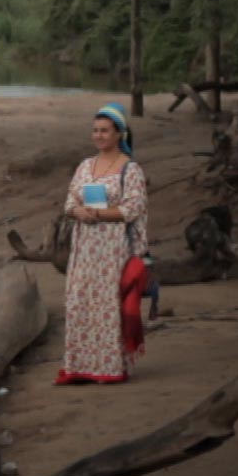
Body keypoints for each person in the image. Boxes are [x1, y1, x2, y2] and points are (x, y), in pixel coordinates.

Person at [55, 102, 150, 385]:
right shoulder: (85, 166)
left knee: (107, 304)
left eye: (105, 131)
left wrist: (101, 213)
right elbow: (70, 201)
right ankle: (78, 366)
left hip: (113, 248)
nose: (98, 136)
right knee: (79, 301)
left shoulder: (130, 170)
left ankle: (108, 368)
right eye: (95, 130)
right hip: (84, 247)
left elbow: (134, 208)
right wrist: (78, 212)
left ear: (120, 133)